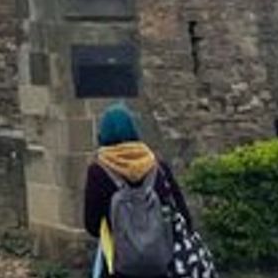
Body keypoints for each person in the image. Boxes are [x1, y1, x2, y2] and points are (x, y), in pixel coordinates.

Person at [81, 104, 215, 277]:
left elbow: (92, 224)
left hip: (121, 265)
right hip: (162, 264)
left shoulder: (97, 172)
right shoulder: (158, 166)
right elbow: (184, 216)